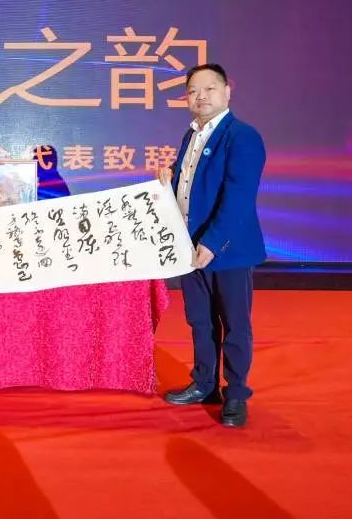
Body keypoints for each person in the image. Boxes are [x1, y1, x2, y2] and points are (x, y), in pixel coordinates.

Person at [157, 63, 266, 428]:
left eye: (209, 89)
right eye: (192, 91)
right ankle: (205, 383)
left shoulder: (242, 136)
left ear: (227, 92)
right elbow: (190, 187)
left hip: (227, 249)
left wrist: (213, 241)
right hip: (190, 248)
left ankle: (236, 393)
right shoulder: (191, 136)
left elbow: (239, 196)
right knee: (200, 321)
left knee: (234, 323)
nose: (200, 97)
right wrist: (168, 179)